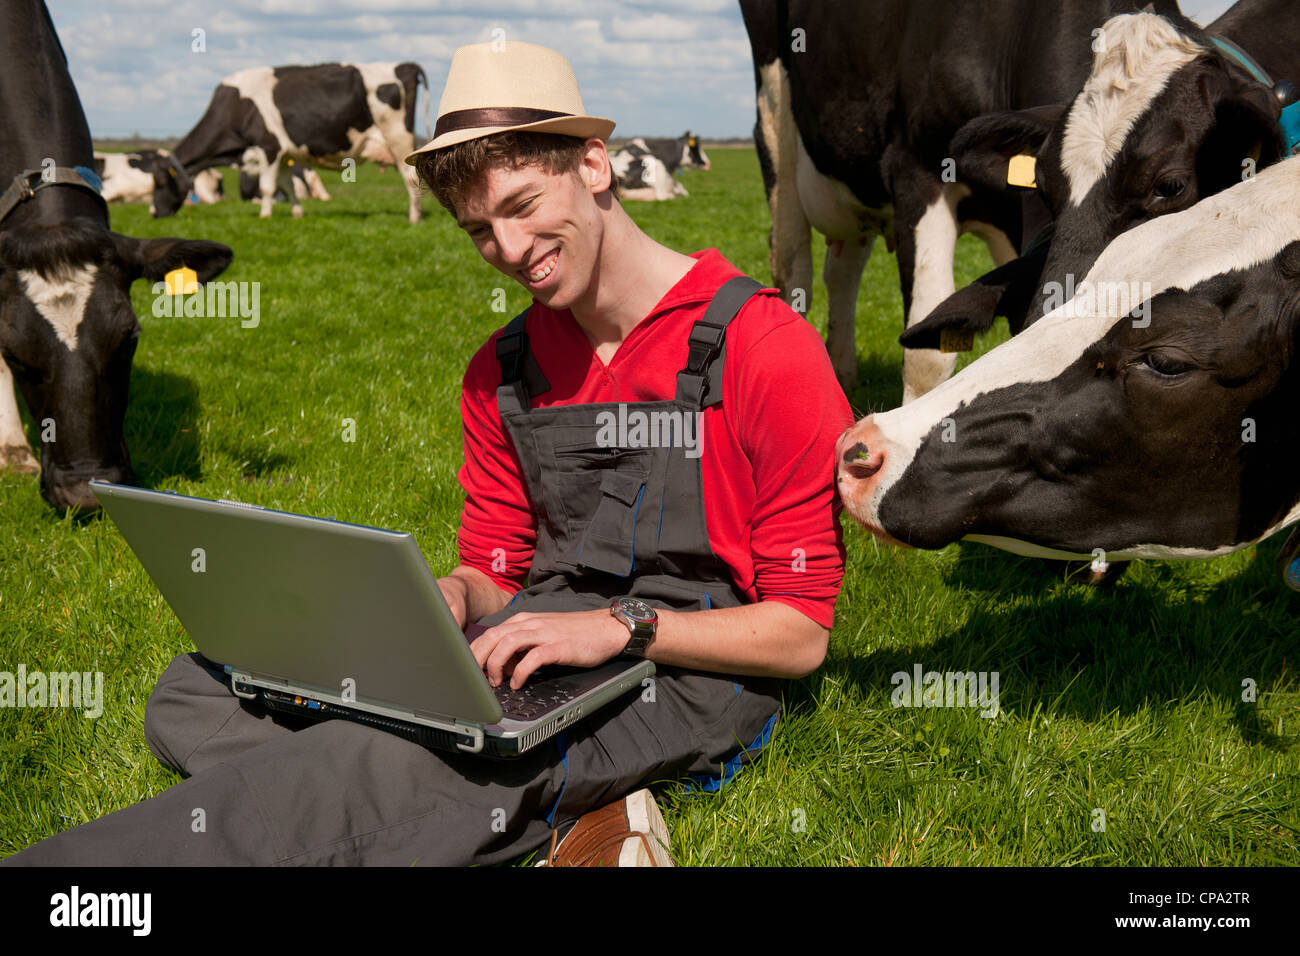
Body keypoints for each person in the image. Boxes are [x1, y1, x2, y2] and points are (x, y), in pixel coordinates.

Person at [3, 40, 852, 867]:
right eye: (480, 230)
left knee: (354, 776)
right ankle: (497, 784)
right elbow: (497, 569)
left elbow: (800, 636)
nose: (511, 253)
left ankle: (402, 786)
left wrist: (616, 627)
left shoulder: (762, 346)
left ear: (594, 164)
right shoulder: (501, 370)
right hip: (530, 653)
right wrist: (449, 594)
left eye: (522, 206)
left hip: (685, 672)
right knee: (194, 691)